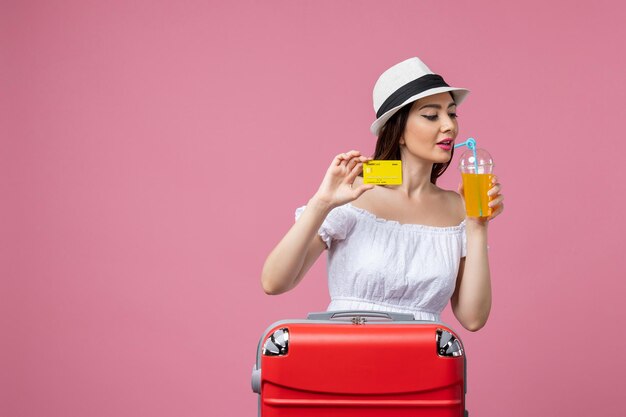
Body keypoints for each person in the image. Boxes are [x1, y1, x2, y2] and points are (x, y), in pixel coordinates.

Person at [261, 57, 504, 331]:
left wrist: (477, 225)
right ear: (398, 131)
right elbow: (274, 282)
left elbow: (473, 319)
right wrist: (322, 204)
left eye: (452, 113)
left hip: (423, 366)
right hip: (347, 358)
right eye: (431, 115)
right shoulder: (355, 195)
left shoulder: (459, 207)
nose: (449, 125)